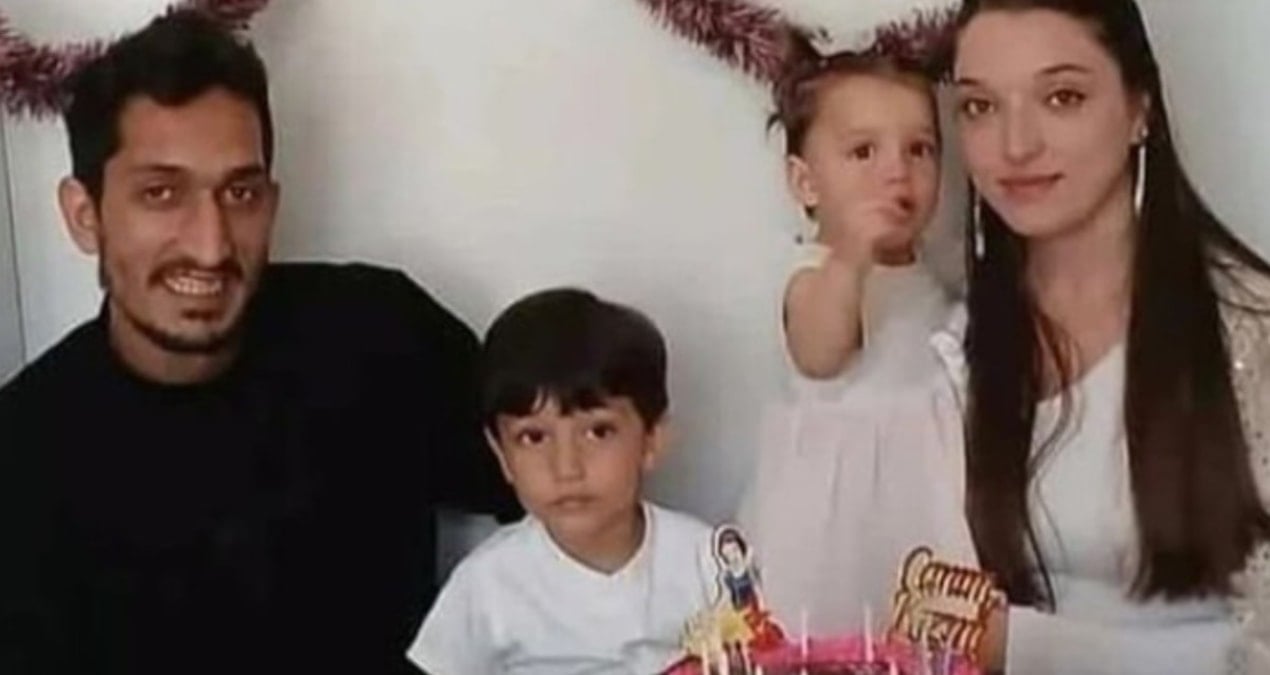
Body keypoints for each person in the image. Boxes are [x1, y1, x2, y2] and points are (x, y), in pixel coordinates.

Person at [0, 12, 515, 674]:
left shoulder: (380, 334)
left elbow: (583, 499)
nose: (210, 244)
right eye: (161, 193)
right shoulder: (22, 454)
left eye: (239, 192)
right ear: (84, 215)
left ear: (270, 202)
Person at [943, 0, 1270, 672]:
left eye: (1061, 97)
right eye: (980, 106)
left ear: (1139, 108)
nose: (1015, 145)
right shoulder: (953, 343)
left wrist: (1025, 646)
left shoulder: (1249, 329)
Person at [739, 43, 975, 635]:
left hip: (927, 498)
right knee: (837, 634)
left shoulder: (931, 279)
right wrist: (850, 260)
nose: (897, 171)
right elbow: (819, 355)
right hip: (840, 519)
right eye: (863, 151)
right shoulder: (814, 274)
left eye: (919, 149)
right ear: (806, 183)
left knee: (932, 635)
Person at [406, 288, 717, 674]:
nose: (566, 467)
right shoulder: (487, 585)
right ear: (501, 455)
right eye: (533, 437)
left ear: (652, 439)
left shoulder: (707, 562)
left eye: (598, 432)